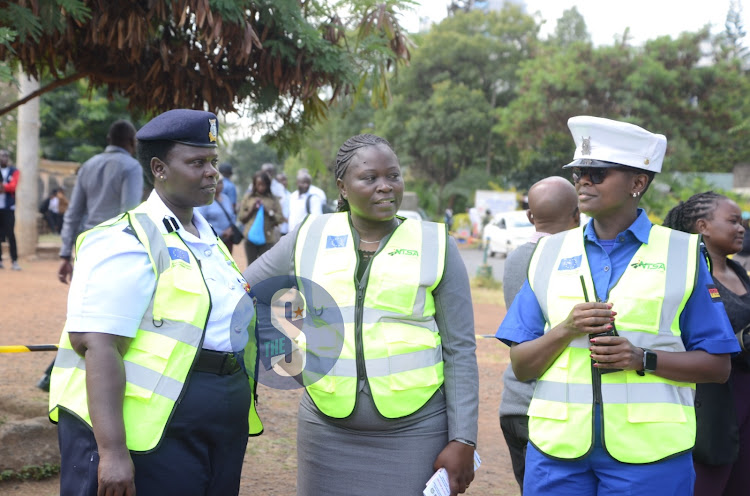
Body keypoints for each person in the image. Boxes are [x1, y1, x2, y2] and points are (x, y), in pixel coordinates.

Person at [496, 115, 739, 496]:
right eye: (578, 173)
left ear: (637, 183)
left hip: (650, 458)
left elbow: (717, 366)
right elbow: (521, 365)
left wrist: (642, 358)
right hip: (557, 454)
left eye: (597, 173)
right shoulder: (548, 253)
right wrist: (565, 330)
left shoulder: (682, 254)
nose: (583, 182)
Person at [243, 133, 479, 496]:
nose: (385, 187)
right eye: (370, 178)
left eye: (393, 176)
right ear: (342, 186)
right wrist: (282, 344)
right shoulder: (310, 236)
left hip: (415, 431)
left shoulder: (435, 244)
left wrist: (464, 437)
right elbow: (244, 291)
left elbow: (460, 349)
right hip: (325, 430)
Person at [47, 109, 263, 496]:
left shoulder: (207, 238)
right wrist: (112, 452)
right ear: (160, 169)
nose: (212, 172)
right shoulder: (123, 239)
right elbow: (97, 343)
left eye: (212, 161)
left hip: (218, 420)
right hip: (157, 428)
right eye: (197, 162)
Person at [664, 192, 750, 496]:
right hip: (712, 405)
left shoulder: (738, 271)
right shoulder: (688, 277)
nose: (741, 229)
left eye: (742, 223)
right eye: (733, 221)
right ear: (703, 226)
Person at [498, 176, 580, 494]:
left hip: (514, 403)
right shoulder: (573, 261)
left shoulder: (516, 257)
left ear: (530, 216)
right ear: (577, 215)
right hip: (553, 410)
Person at [58, 120, 143, 284]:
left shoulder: (88, 165)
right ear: (133, 142)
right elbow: (129, 214)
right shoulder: (132, 167)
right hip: (116, 250)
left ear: (108, 139)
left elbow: (73, 213)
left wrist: (65, 253)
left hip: (88, 245)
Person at [238, 170, 284, 266]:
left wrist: (269, 212)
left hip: (267, 239)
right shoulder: (248, 198)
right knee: (251, 266)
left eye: (263, 185)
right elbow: (241, 218)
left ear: (268, 185)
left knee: (266, 267)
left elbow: (280, 219)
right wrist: (251, 210)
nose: (261, 187)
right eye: (258, 185)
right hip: (250, 239)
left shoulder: (273, 200)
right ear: (254, 185)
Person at [196, 177, 240, 254]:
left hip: (228, 239)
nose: (220, 185)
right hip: (212, 239)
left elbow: (232, 215)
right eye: (218, 183)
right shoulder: (204, 200)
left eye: (221, 183)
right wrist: (221, 232)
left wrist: (230, 230)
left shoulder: (226, 198)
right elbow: (201, 220)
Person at [0, 149, 21, 270]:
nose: (4, 158)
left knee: (10, 235)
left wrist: (4, 187)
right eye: (2, 156)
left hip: (8, 208)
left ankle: (14, 261)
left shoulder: (14, 171)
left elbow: (13, 186)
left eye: (6, 156)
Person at [276, 172, 291, 236]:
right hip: (277, 228)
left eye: (285, 180)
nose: (284, 182)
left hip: (288, 229)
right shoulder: (274, 195)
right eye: (281, 181)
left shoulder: (290, 195)